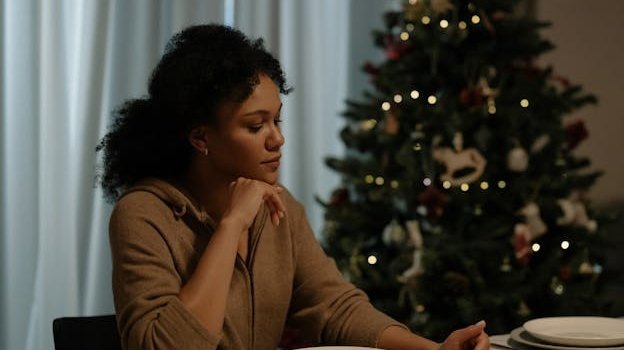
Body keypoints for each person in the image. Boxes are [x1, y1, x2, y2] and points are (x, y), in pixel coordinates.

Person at [98, 24, 489, 350]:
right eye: (256, 126)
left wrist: (435, 349)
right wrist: (232, 223)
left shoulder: (281, 210)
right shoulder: (144, 214)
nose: (276, 140)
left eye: (277, 121)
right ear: (201, 138)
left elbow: (334, 306)